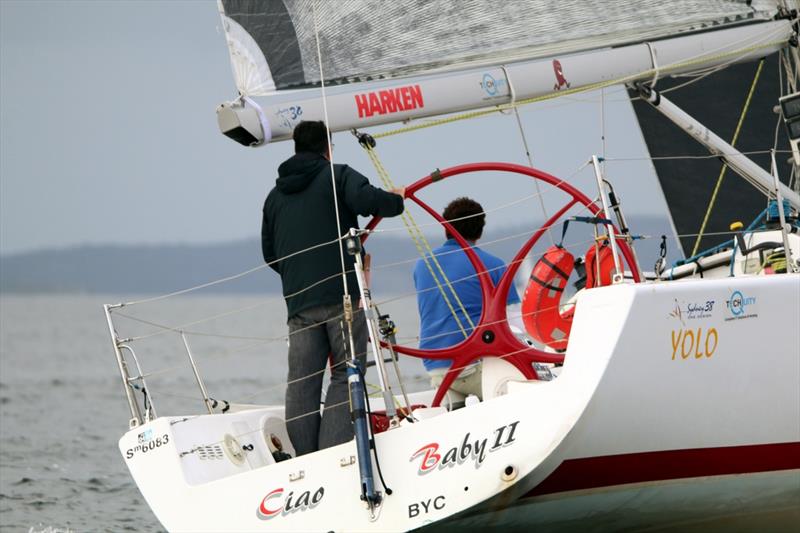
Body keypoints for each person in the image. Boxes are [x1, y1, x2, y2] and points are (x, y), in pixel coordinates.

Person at [261, 121, 405, 456]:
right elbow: (373, 201)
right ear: (327, 148)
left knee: (303, 383)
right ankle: (332, 456)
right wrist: (396, 200)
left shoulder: (274, 197)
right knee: (346, 374)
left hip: (298, 304)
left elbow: (270, 255)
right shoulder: (337, 175)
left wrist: (299, 277)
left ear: (296, 148)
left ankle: (306, 460)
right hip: (342, 297)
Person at [413, 197, 521, 398]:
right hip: (473, 366)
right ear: (480, 230)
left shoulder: (422, 265)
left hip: (436, 367)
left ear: (446, 229)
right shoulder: (494, 264)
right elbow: (515, 324)